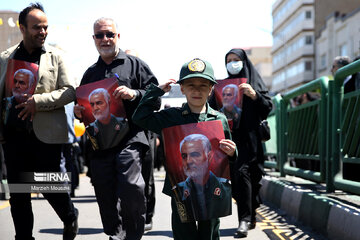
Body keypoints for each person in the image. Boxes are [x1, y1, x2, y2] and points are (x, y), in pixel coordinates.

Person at [132, 58, 236, 240]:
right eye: (190, 85)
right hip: (180, 189)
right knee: (183, 233)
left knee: (210, 232)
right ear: (182, 88)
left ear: (211, 89)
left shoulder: (219, 119)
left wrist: (233, 152)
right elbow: (140, 117)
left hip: (212, 190)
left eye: (203, 85)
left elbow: (226, 157)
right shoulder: (172, 117)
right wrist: (155, 92)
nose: (197, 90)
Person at [74, 17, 159, 240]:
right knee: (104, 193)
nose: (105, 39)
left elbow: (156, 98)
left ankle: (133, 234)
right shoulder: (90, 74)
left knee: (132, 187)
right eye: (100, 35)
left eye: (109, 34)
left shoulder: (136, 65)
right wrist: (79, 112)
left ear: (117, 36)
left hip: (130, 139)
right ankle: (115, 234)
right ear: (94, 39)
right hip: (101, 145)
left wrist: (135, 94)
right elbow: (85, 111)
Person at [0, 3, 78, 240]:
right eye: (36, 28)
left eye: (45, 27)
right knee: (19, 193)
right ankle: (24, 237)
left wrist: (39, 101)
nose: (42, 32)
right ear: (22, 28)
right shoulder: (5, 58)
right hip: (13, 136)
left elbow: (70, 91)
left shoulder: (57, 57)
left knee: (48, 185)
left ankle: (69, 216)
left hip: (47, 135)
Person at [209, 48, 273, 238]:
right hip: (231, 140)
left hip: (252, 140)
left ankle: (251, 215)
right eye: (229, 60)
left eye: (236, 59)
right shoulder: (223, 87)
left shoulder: (254, 83)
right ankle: (244, 220)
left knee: (253, 179)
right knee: (239, 176)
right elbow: (212, 109)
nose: (232, 63)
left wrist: (255, 96)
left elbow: (268, 107)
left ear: (244, 62)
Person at [177, 134, 232, 221]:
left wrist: (232, 152)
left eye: (195, 155)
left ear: (209, 157)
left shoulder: (225, 188)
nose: (188, 161)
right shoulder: (178, 190)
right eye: (184, 156)